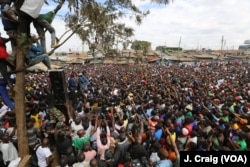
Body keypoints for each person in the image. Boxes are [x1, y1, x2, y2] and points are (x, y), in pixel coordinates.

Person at [0, 35, 14, 110]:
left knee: (5, 97)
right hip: (2, 57)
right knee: (5, 69)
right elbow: (3, 40)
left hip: (1, 82)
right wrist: (9, 38)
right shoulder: (1, 40)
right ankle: (10, 82)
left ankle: (12, 106)